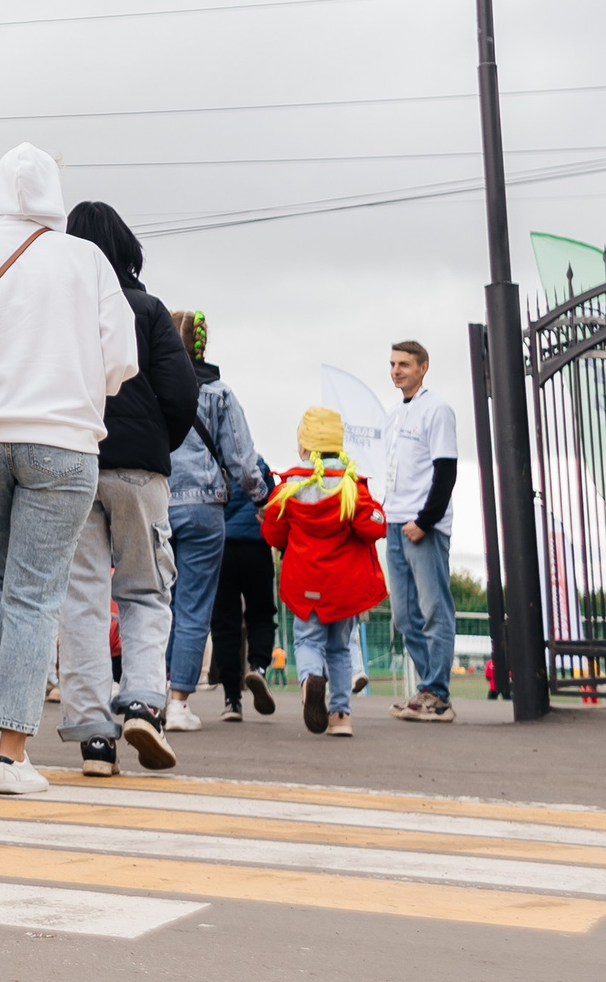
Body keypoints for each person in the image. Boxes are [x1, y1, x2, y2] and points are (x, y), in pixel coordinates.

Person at [0, 144, 135, 796]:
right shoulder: (86, 259)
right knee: (37, 589)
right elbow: (122, 358)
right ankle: (12, 753)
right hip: (61, 441)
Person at [52, 200, 197, 779]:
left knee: (82, 599)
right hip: (139, 469)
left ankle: (93, 737)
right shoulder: (147, 308)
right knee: (144, 590)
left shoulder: (58, 310)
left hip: (70, 461)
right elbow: (180, 393)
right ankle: (141, 702)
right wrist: (157, 444)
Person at [163, 310, 265, 731]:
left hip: (158, 503)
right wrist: (261, 496)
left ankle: (145, 695)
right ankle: (178, 703)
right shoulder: (220, 394)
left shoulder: (152, 386)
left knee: (152, 603)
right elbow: (243, 462)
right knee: (193, 607)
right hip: (206, 508)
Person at [261, 407, 387, 736]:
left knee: (307, 641)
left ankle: (309, 683)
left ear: (303, 446)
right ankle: (341, 716)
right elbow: (372, 527)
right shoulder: (351, 486)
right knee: (340, 648)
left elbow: (273, 533)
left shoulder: (289, 485)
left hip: (304, 582)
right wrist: (377, 511)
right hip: (344, 585)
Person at [381, 340, 461, 724]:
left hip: (422, 526)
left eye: (405, 364)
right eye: (393, 363)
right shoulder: (394, 413)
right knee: (403, 616)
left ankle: (437, 695)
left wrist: (425, 521)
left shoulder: (437, 410)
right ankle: (427, 689)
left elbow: (445, 472)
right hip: (394, 523)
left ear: (423, 367)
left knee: (434, 610)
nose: (397, 370)